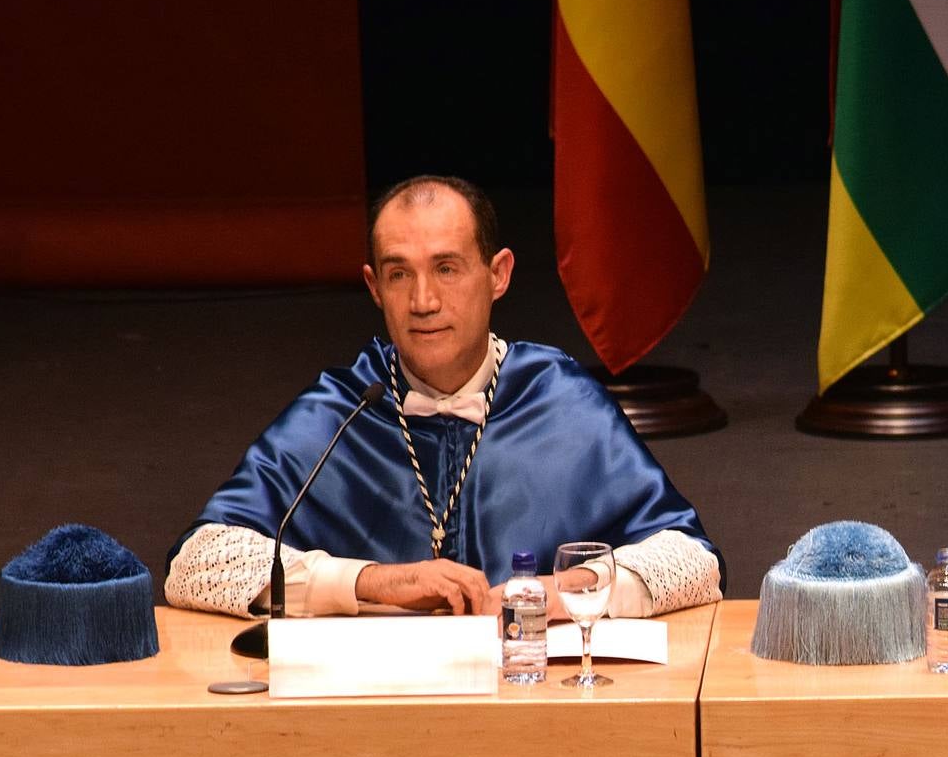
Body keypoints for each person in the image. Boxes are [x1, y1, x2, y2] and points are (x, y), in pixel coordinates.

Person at [166, 175, 723, 620]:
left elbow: (694, 562)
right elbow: (195, 564)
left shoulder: (561, 399)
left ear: (497, 274)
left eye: (447, 268)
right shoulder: (341, 409)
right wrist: (375, 581)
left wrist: (556, 595)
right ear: (373, 288)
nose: (424, 300)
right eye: (399, 274)